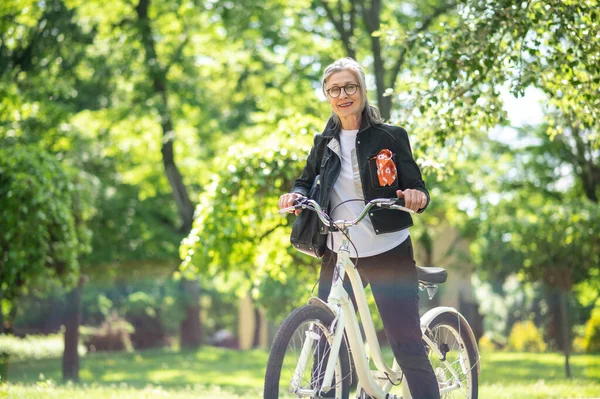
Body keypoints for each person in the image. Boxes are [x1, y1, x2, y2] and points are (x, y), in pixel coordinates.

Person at [278, 57, 440, 399]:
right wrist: (296, 195)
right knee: (326, 336)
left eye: (350, 87)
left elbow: (419, 188)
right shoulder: (323, 141)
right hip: (339, 250)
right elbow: (306, 182)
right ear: (326, 95)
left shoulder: (391, 136)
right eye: (334, 89)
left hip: (388, 251)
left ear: (362, 92)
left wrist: (414, 196)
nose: (342, 94)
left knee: (406, 344)